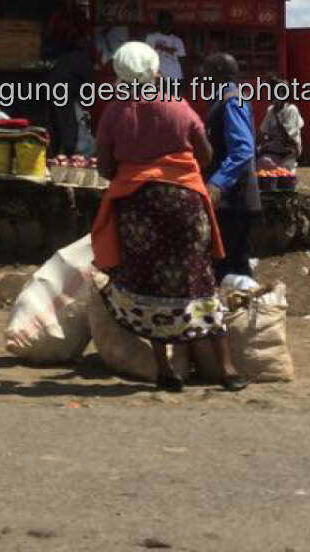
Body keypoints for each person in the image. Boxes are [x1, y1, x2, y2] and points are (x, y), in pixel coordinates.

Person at [90, 41, 244, 392]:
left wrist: (136, 162)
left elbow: (104, 168)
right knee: (200, 278)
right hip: (184, 205)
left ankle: (165, 372)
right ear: (154, 71)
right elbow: (205, 156)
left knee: (150, 285)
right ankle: (228, 369)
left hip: (137, 209)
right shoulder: (178, 106)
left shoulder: (114, 113)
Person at [201, 53, 260, 283]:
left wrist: (217, 182)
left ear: (217, 72)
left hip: (235, 200)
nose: (201, 76)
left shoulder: (232, 101)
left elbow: (243, 149)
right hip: (231, 200)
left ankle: (247, 314)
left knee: (231, 266)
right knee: (229, 266)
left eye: (206, 71)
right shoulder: (223, 99)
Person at [255, 79, 303, 171]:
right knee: (260, 165)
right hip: (273, 149)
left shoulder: (291, 110)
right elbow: (262, 132)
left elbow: (288, 137)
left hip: (288, 151)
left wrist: (278, 116)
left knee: (283, 173)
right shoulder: (271, 110)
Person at [144, 12, 187, 85]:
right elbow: (146, 56)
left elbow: (182, 59)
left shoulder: (177, 40)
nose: (166, 25)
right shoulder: (151, 38)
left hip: (175, 75)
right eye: (163, 22)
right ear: (159, 23)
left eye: (168, 22)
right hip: (157, 76)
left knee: (174, 96)